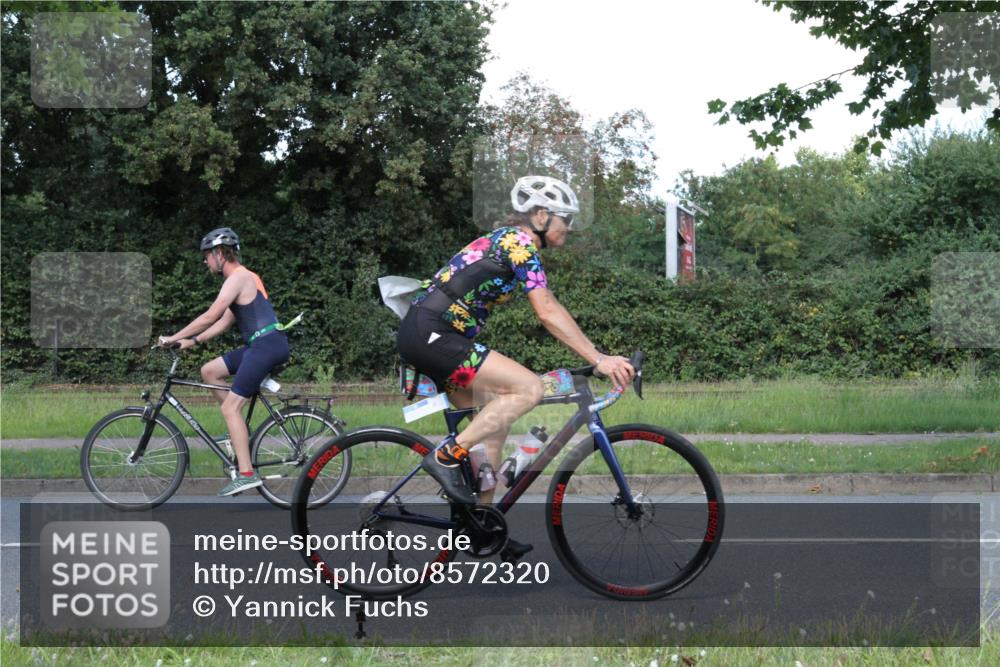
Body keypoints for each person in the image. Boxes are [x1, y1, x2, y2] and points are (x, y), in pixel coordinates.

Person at [397, 175, 635, 558]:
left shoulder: (514, 244)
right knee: (529, 389)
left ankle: (481, 525)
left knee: (494, 422)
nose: (569, 228)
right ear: (541, 215)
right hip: (432, 332)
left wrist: (595, 354)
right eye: (565, 219)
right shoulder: (518, 243)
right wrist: (599, 359)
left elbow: (553, 306)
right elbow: (546, 312)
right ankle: (445, 458)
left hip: (436, 333)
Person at [158, 227, 290, 496]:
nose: (205, 262)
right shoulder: (244, 279)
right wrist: (192, 342)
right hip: (261, 345)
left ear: (220, 254)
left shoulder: (239, 278)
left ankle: (246, 474)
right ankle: (236, 435)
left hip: (265, 346)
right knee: (210, 371)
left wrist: (173, 337)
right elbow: (224, 321)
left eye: (207, 256)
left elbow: (210, 315)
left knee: (230, 408)